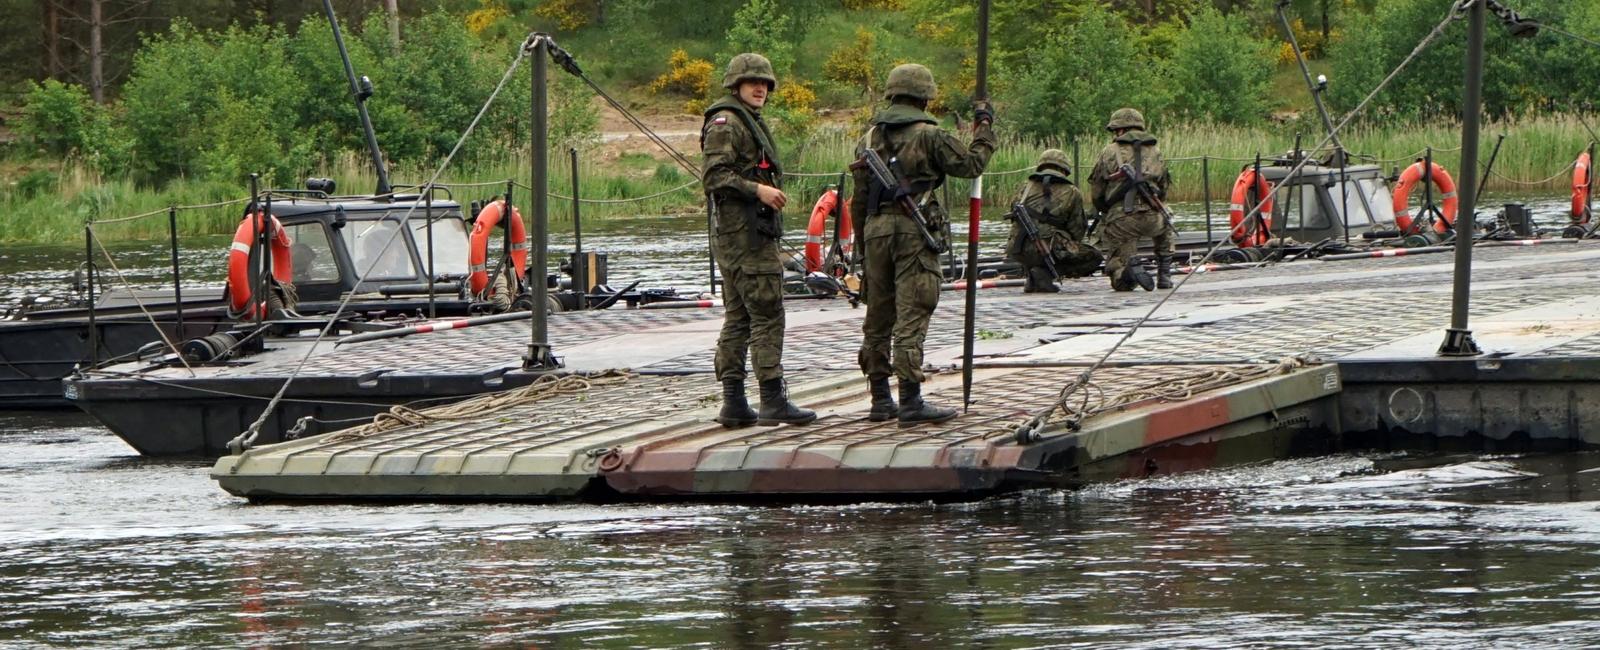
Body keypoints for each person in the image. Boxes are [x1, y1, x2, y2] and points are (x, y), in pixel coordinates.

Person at [851, 63, 995, 427]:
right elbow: (972, 165)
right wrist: (984, 129)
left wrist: (862, 251)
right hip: (913, 232)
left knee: (878, 316)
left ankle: (881, 399)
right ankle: (911, 399)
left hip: (874, 230)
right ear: (924, 98)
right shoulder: (931, 135)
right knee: (913, 310)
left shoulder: (868, 138)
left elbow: (858, 198)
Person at [702, 52, 815, 428]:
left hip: (742, 234)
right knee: (767, 314)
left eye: (765, 83)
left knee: (739, 317)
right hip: (746, 237)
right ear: (735, 86)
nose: (760, 88)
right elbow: (714, 176)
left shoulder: (742, 120)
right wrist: (758, 191)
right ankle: (771, 398)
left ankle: (734, 403)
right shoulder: (728, 123)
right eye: (753, 82)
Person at [1089, 107, 1174, 291]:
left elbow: (1097, 190)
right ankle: (1164, 274)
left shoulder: (1109, 151)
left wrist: (1105, 210)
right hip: (1153, 215)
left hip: (1122, 219)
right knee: (1166, 218)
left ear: (1119, 130)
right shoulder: (1155, 151)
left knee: (1119, 279)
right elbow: (1164, 186)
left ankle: (1129, 271)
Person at [1006, 149, 1103, 293]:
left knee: (1033, 242)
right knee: (1093, 256)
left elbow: (1013, 217)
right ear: (1063, 169)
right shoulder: (1071, 191)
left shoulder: (1024, 187)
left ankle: (1033, 275)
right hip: (1047, 249)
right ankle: (1046, 274)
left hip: (1017, 248)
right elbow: (1077, 230)